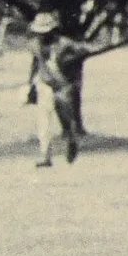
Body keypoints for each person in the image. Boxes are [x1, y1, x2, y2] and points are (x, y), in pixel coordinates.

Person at [26, 12, 88, 168]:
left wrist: (71, 65)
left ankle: (72, 141)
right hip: (45, 85)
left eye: (45, 32)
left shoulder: (65, 44)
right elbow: (35, 63)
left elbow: (83, 51)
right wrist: (30, 84)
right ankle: (45, 155)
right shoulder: (35, 45)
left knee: (66, 121)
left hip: (63, 86)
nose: (42, 36)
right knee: (44, 121)